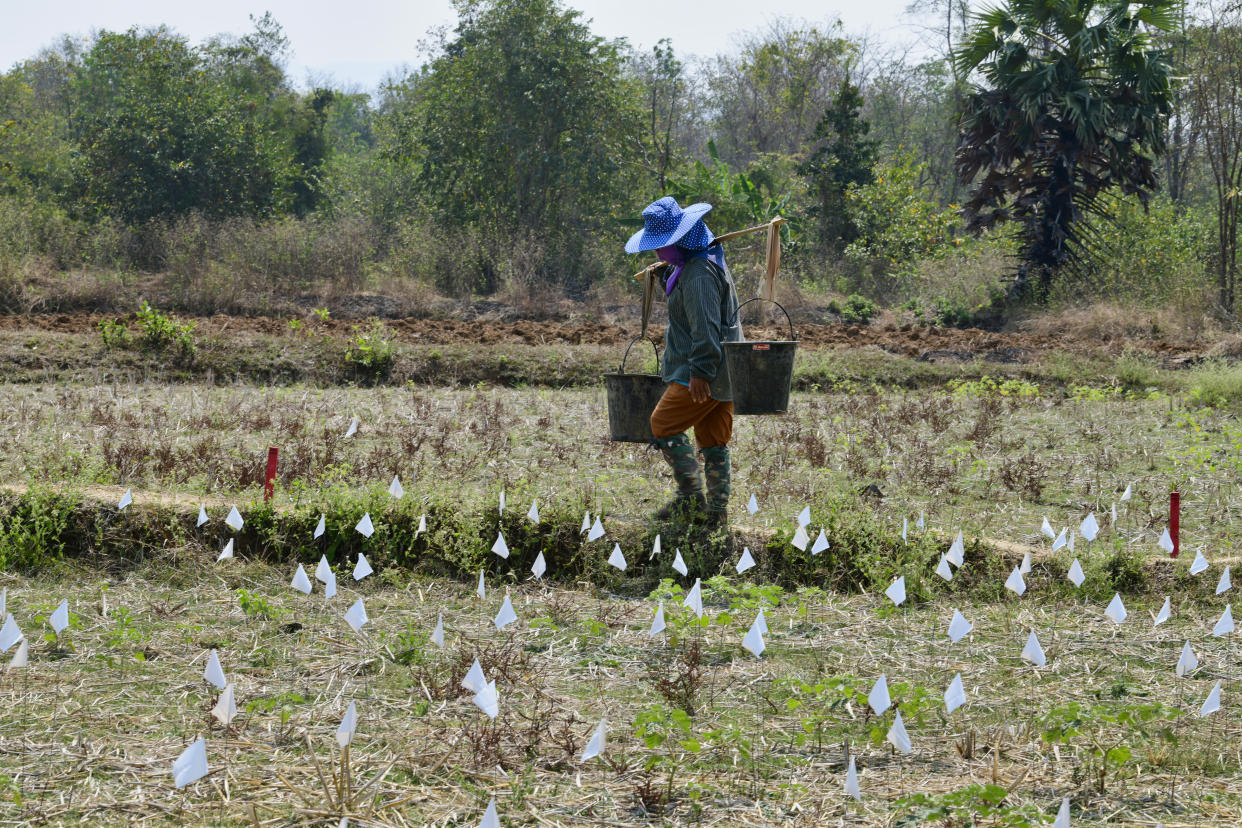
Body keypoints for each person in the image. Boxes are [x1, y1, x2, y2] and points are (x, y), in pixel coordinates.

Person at [625, 197, 741, 528]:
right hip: (726, 370)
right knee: (713, 440)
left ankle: (690, 500)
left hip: (705, 370)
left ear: (682, 238)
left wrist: (700, 372)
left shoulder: (699, 274)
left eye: (663, 246)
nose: (659, 253)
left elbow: (705, 327)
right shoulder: (701, 262)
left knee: (663, 424)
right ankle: (716, 514)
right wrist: (668, 277)